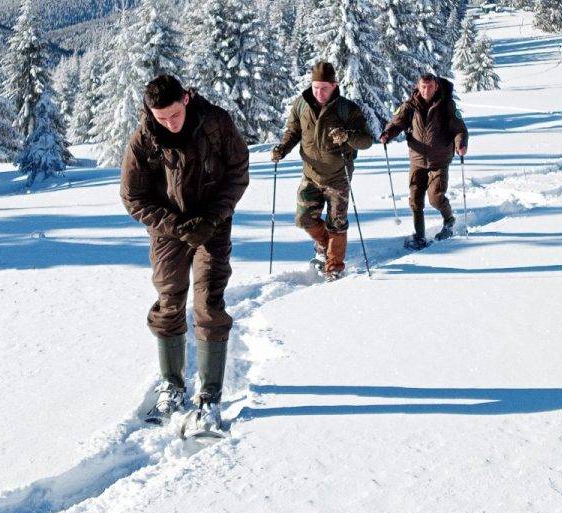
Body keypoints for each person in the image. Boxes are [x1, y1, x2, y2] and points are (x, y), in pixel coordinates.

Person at [120, 74, 250, 431]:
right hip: (168, 229)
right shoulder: (143, 140)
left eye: (174, 115)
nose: (169, 123)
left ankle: (209, 397)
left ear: (186, 100)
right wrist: (174, 225)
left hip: (213, 223)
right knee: (169, 299)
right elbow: (133, 197)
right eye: (161, 117)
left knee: (208, 300)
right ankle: (172, 385)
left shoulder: (216, 123)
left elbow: (238, 171)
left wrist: (212, 218)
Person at [270, 61, 376, 279]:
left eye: (324, 88)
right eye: (316, 87)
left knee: (336, 223)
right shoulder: (301, 104)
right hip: (311, 174)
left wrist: (347, 135)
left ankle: (334, 267)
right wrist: (283, 148)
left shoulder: (347, 109)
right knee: (303, 218)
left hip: (338, 176)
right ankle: (323, 245)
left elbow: (366, 141)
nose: (319, 92)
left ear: (334, 85)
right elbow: (293, 131)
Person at [379, 72, 468, 249]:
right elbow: (398, 123)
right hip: (417, 160)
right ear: (418, 86)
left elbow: (459, 129)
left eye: (429, 87)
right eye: (423, 86)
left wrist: (461, 144)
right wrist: (388, 133)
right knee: (415, 200)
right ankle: (419, 236)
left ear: (436, 86)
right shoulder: (409, 106)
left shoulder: (446, 105)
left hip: (439, 160)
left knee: (435, 197)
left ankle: (449, 220)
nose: (426, 90)